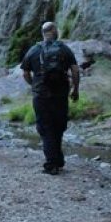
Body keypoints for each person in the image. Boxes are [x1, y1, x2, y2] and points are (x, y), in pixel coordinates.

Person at [20, 22, 79, 175]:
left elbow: (25, 73)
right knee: (58, 126)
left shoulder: (34, 50)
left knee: (45, 128)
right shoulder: (64, 49)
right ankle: (58, 159)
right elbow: (74, 69)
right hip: (60, 95)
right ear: (55, 31)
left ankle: (51, 164)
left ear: (43, 32)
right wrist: (75, 89)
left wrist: (34, 85)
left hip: (41, 96)